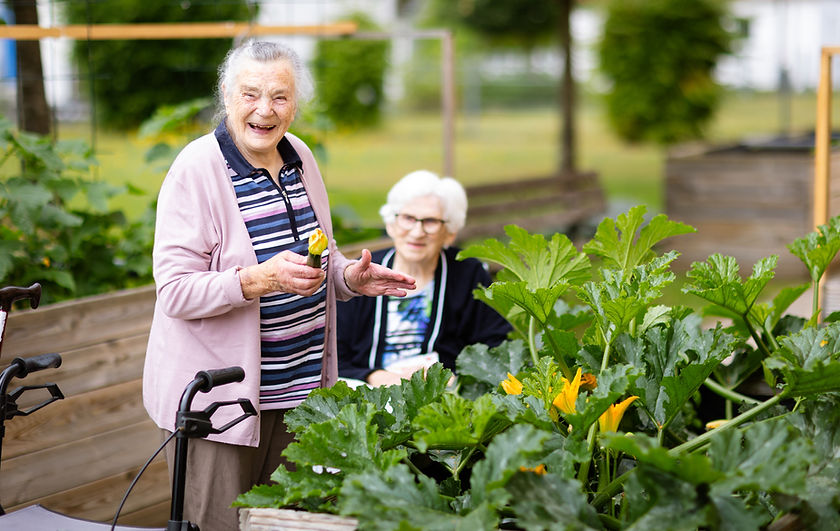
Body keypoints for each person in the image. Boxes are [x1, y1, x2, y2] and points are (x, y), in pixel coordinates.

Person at [142, 40, 415, 531]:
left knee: (286, 525)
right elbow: (175, 292)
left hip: (300, 395)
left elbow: (317, 256)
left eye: (280, 97)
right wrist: (258, 279)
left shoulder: (300, 157)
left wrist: (349, 277)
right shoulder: (196, 170)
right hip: (224, 408)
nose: (265, 111)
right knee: (220, 526)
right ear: (227, 96)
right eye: (250, 94)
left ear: (296, 103)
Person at [337, 170, 511, 387]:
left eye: (430, 221)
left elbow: (496, 346)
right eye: (408, 218)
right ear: (391, 224)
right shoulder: (362, 274)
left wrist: (453, 378)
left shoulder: (468, 275)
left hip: (444, 399)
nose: (417, 232)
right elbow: (333, 353)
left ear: (450, 232)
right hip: (369, 396)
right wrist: (376, 377)